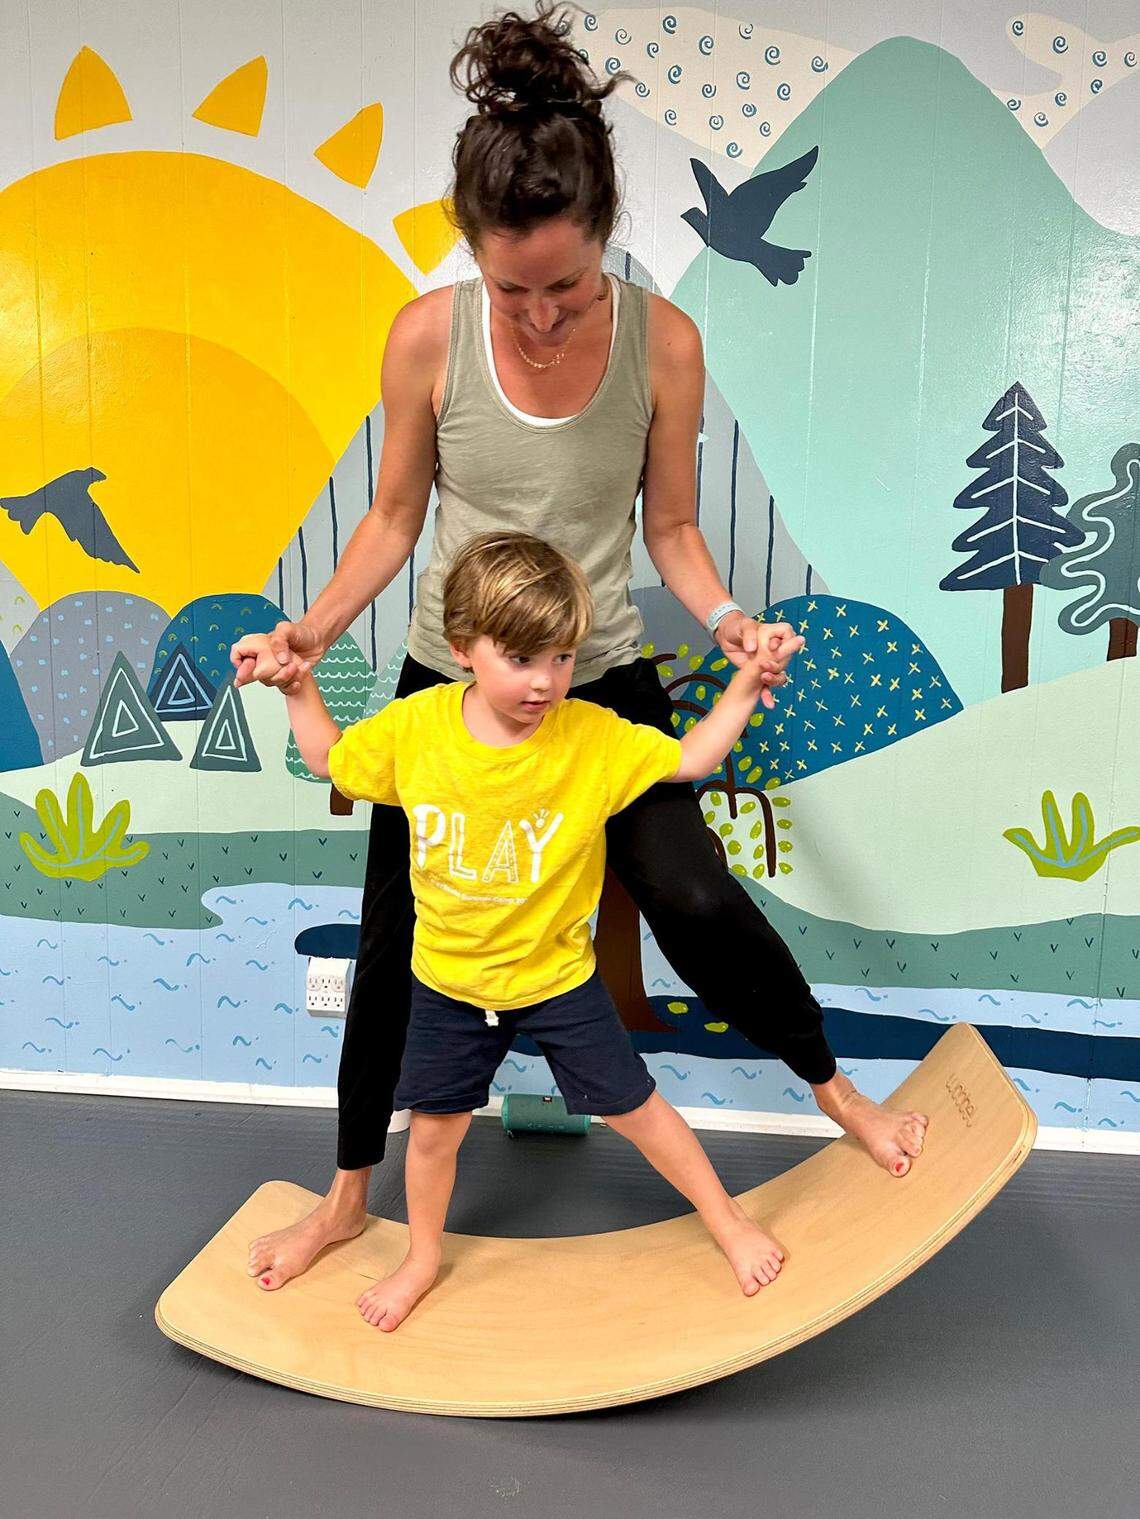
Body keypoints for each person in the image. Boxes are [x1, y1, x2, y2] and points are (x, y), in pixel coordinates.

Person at [237, 1, 927, 1295]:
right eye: (514, 289)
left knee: (701, 894)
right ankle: (345, 1201)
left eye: (564, 285)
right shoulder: (427, 336)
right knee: (395, 941)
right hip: (453, 681)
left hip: (597, 669)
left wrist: (725, 618)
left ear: (603, 239)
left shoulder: (663, 343)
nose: (542, 316)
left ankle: (840, 1095)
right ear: (472, 255)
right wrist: (311, 631)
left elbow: (669, 524)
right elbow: (394, 517)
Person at [283, 531, 793, 1329]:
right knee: (434, 1134)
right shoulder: (416, 728)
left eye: (560, 658)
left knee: (639, 1108)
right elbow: (329, 759)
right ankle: (421, 1257)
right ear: (463, 650)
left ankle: (725, 1218)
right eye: (521, 659)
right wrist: (295, 686)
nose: (544, 680)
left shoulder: (588, 736)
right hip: (448, 984)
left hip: (557, 981)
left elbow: (690, 759)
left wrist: (744, 684)